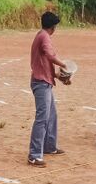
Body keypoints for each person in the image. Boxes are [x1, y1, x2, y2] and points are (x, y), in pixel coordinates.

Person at [28, 11, 70, 168]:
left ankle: (49, 146)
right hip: (40, 83)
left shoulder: (41, 35)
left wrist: (59, 76)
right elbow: (50, 56)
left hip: (44, 81)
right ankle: (34, 155)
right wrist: (64, 65)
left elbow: (46, 62)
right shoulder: (44, 37)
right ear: (53, 27)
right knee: (42, 118)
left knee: (51, 116)